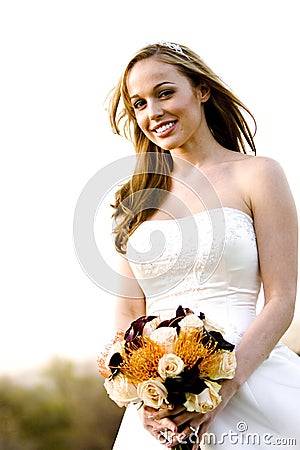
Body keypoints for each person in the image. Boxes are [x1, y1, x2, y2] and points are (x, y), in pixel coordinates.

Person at [106, 41, 300, 449]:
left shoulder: (258, 175)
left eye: (164, 92)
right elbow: (127, 314)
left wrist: (222, 389)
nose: (153, 112)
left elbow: (281, 298)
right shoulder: (135, 199)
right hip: (161, 407)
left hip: (254, 380)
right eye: (138, 104)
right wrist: (146, 394)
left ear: (202, 90)